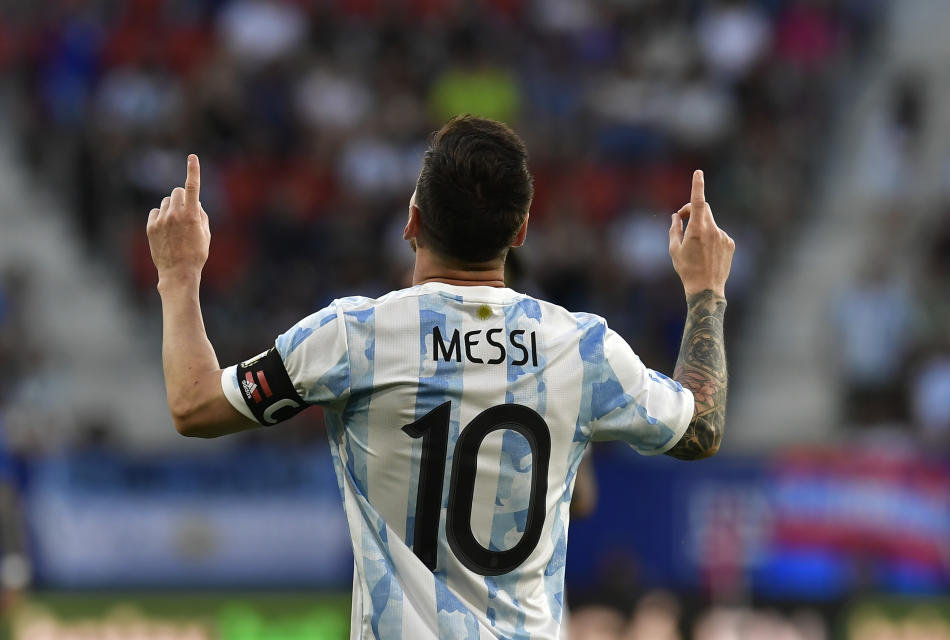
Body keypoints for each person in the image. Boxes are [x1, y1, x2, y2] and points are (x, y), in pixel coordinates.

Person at [146, 116, 734, 640]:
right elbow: (700, 427)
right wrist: (705, 291)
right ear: (522, 229)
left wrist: (179, 274)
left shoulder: (353, 336)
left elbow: (195, 405)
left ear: (412, 220)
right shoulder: (582, 348)